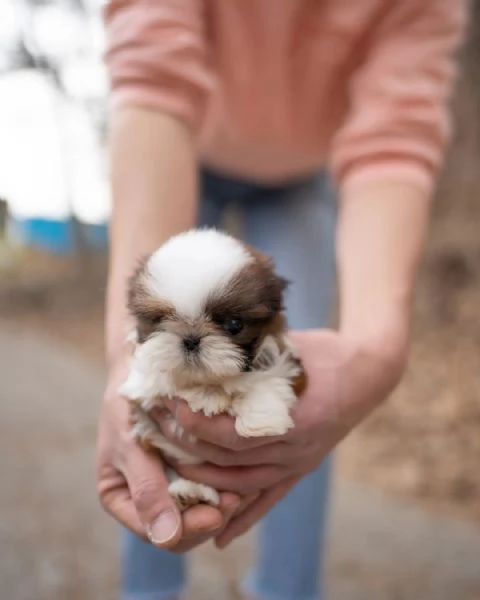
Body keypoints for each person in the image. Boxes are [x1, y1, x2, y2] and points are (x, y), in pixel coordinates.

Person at [96, 2, 467, 599]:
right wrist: (122, 348)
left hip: (301, 173)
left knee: (312, 392)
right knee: (141, 378)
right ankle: (150, 589)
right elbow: (152, 73)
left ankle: (288, 590)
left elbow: (396, 136)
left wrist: (376, 352)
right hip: (177, 141)